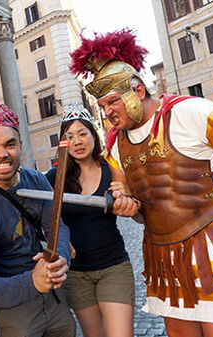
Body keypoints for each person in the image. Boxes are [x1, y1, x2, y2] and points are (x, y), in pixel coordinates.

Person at [70, 28, 213, 337]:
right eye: (102, 106)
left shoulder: (189, 111)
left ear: (138, 90)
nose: (107, 112)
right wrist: (129, 206)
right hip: (162, 259)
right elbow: (142, 209)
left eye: (112, 101)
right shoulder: (116, 146)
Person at [0, 100, 79, 336]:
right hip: (14, 307)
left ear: (21, 146)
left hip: (54, 297)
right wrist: (32, 282)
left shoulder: (36, 179)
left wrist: (60, 257)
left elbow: (58, 226)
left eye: (9, 144)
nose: (2, 154)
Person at [45, 102, 138, 337]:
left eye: (82, 134)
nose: (77, 141)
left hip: (113, 267)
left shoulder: (112, 168)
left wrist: (128, 199)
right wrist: (57, 239)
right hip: (76, 274)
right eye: (70, 136)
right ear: (63, 143)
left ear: (94, 135)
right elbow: (36, 213)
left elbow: (137, 210)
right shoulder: (55, 177)